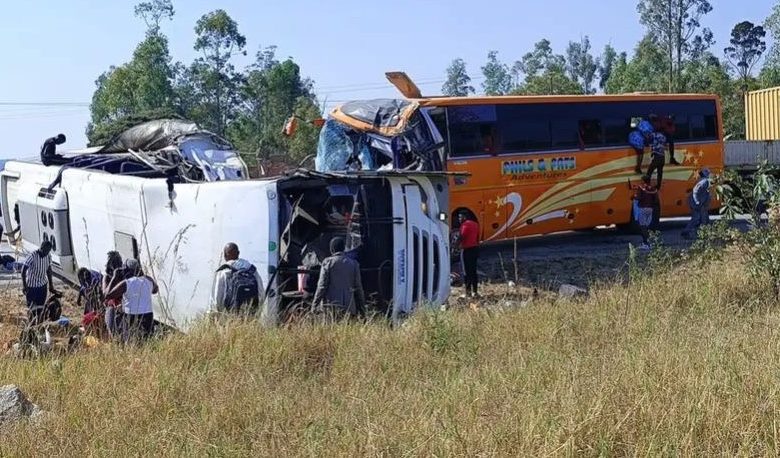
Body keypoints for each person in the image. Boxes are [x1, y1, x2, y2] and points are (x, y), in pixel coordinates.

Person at [106, 259, 158, 344]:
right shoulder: (148, 280)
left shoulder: (126, 283)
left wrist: (114, 277)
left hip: (131, 317)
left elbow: (108, 295)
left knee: (132, 342)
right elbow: (155, 290)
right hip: (148, 316)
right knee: (147, 341)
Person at [312, 237, 366, 319]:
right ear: (344, 248)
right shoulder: (354, 264)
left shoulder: (328, 263)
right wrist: (362, 309)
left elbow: (322, 286)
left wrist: (315, 304)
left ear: (332, 249)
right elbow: (359, 288)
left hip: (331, 307)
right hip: (349, 307)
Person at [212, 243, 264, 313]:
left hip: (230, 314)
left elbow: (218, 297)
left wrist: (220, 312)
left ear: (224, 255)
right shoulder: (251, 269)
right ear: (238, 253)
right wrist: (257, 310)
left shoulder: (223, 271)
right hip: (250, 313)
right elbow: (261, 292)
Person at [21, 241, 56, 325]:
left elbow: (49, 270)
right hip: (32, 287)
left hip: (42, 286)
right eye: (45, 251)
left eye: (48, 251)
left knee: (40, 308)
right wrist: (24, 285)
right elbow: (23, 270)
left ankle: (38, 325)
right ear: (41, 248)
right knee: (32, 308)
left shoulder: (48, 256)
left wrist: (51, 285)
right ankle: (30, 325)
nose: (46, 253)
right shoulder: (33, 256)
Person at [682, 168, 712, 239]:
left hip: (701, 204)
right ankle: (686, 232)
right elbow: (695, 191)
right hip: (698, 203)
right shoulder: (704, 182)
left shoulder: (704, 181)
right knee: (696, 218)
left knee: (705, 219)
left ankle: (705, 233)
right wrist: (697, 201)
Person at [457, 211, 480, 298]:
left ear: (465, 217)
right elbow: (477, 238)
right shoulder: (475, 224)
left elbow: (461, 237)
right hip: (475, 249)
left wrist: (454, 246)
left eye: (460, 217)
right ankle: (475, 291)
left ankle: (468, 293)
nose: (459, 219)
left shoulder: (464, 225)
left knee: (466, 272)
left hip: (467, 250)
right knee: (473, 271)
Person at [102, 251, 124, 338]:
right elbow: (106, 294)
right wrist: (114, 278)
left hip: (123, 305)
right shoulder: (107, 277)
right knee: (113, 330)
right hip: (112, 306)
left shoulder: (123, 275)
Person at [634, 175, 660, 250]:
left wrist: (634, 196)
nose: (640, 181)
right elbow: (656, 200)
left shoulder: (641, 188)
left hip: (643, 209)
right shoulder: (653, 188)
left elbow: (638, 197)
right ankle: (649, 242)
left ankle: (646, 243)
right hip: (650, 209)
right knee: (647, 226)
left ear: (643, 181)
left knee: (642, 226)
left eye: (641, 180)